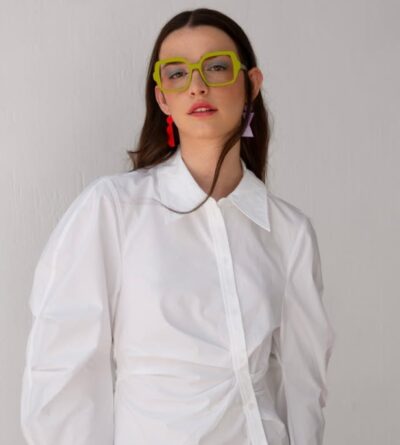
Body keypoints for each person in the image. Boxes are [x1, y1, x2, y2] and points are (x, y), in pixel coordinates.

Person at [20, 7, 336, 445]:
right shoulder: (113, 209)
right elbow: (63, 370)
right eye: (176, 73)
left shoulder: (288, 231)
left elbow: (304, 387)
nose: (197, 85)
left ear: (251, 84)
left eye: (217, 67)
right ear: (162, 98)